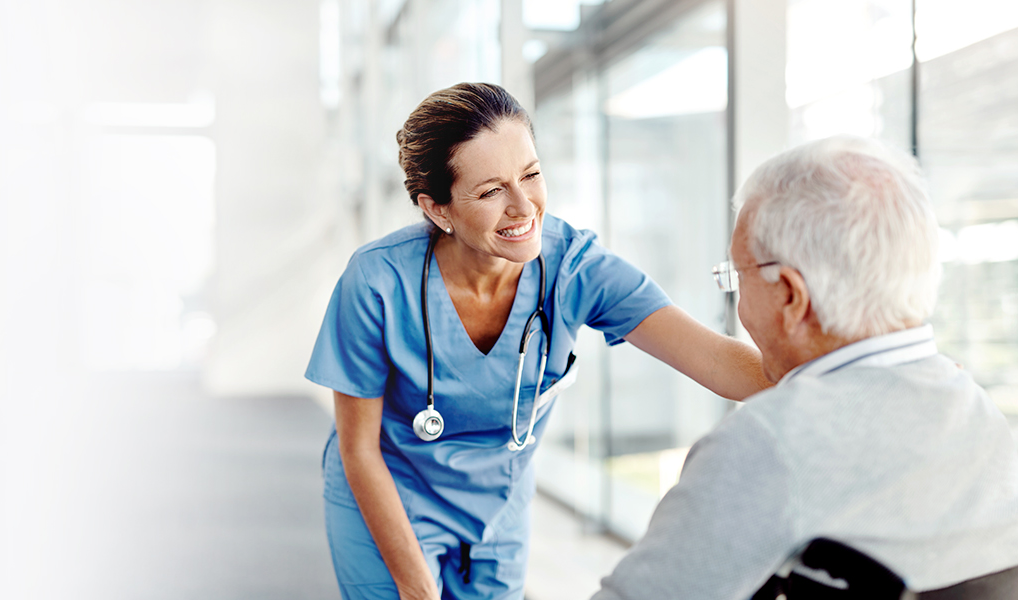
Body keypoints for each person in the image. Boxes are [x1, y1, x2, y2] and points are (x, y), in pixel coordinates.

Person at [305, 82, 771, 600]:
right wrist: (417, 589)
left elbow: (720, 365)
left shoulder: (576, 267)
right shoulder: (376, 283)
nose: (524, 206)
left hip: (499, 505)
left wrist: (848, 363)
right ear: (439, 210)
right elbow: (359, 449)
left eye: (530, 175)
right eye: (490, 191)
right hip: (390, 493)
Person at [590, 135, 1018, 598]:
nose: (738, 302)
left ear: (789, 296)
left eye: (737, 277)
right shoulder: (976, 410)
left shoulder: (767, 444)